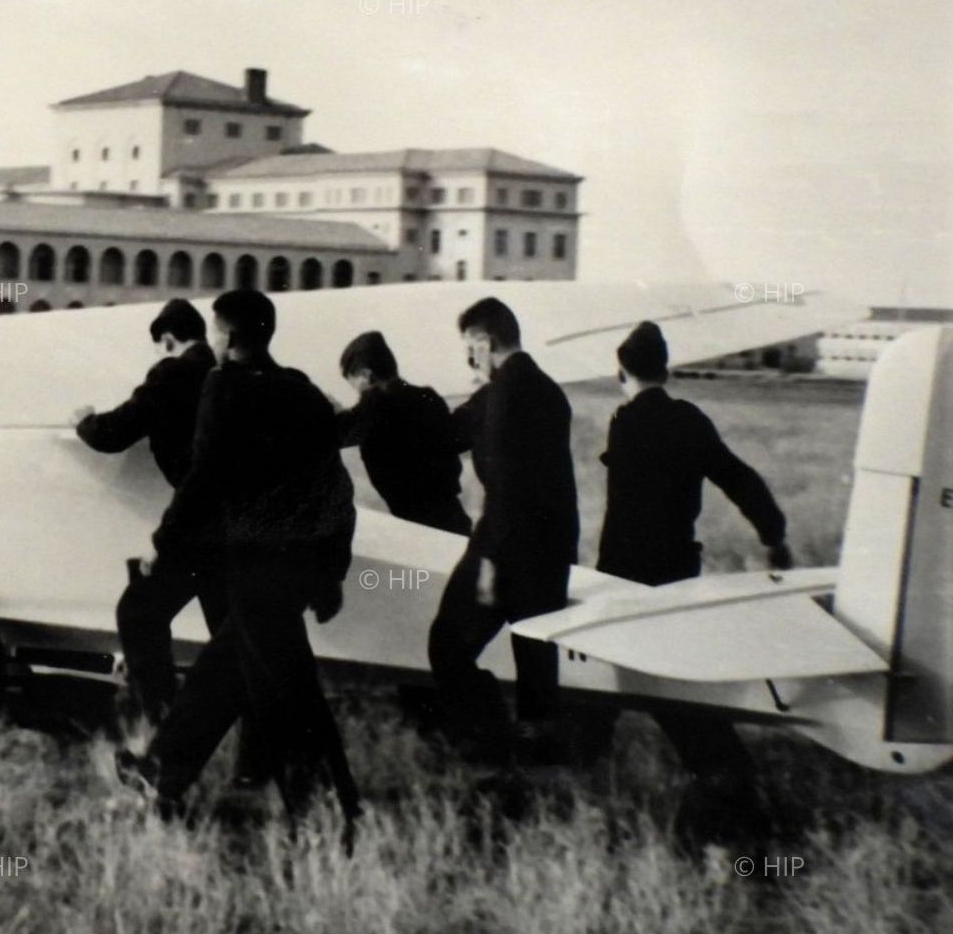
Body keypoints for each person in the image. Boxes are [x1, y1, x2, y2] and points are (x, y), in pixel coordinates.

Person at [119, 290, 361, 832]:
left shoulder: (223, 385)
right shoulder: (302, 391)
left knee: (293, 695)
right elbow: (336, 488)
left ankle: (330, 813)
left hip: (253, 566)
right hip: (298, 566)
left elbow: (203, 478)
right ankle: (163, 771)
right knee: (222, 674)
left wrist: (164, 541)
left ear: (226, 337)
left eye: (216, 331)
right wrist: (332, 572)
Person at [580, 321, 792, 843]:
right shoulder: (689, 420)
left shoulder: (624, 422)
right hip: (676, 571)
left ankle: (722, 787)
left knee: (619, 681)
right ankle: (719, 777)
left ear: (620, 372)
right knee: (658, 681)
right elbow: (738, 477)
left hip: (624, 574)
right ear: (666, 370)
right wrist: (773, 535)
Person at [426, 297, 578, 764]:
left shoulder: (502, 396)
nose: (468, 357)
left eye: (469, 346)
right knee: (534, 654)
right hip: (551, 546)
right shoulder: (546, 390)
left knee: (447, 645)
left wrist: (490, 562)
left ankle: (489, 742)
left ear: (485, 342)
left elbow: (506, 483)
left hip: (505, 544)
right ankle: (539, 756)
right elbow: (453, 434)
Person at [72, 298, 220, 726]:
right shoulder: (220, 373)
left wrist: (84, 421)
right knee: (233, 636)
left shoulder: (172, 373)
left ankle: (158, 721)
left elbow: (114, 433)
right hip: (240, 525)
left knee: (138, 612)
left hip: (199, 522)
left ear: (168, 340)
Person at [335, 330, 473, 536]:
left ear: (367, 375)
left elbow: (334, 434)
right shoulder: (427, 396)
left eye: (356, 387)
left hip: (417, 525)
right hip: (453, 516)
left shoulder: (374, 407)